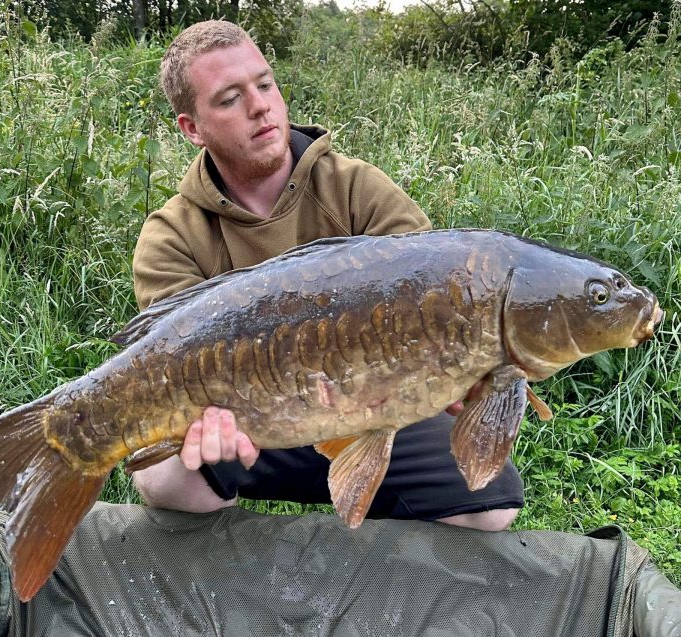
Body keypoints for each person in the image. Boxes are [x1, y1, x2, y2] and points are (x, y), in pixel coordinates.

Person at [130, 19, 524, 530]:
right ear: (192, 128)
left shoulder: (358, 189)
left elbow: (439, 295)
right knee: (161, 475)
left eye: (265, 84)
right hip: (252, 422)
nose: (260, 107)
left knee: (491, 504)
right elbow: (170, 365)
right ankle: (233, 582)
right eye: (229, 99)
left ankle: (378, 587)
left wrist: (463, 370)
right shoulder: (172, 236)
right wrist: (203, 423)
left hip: (377, 408)